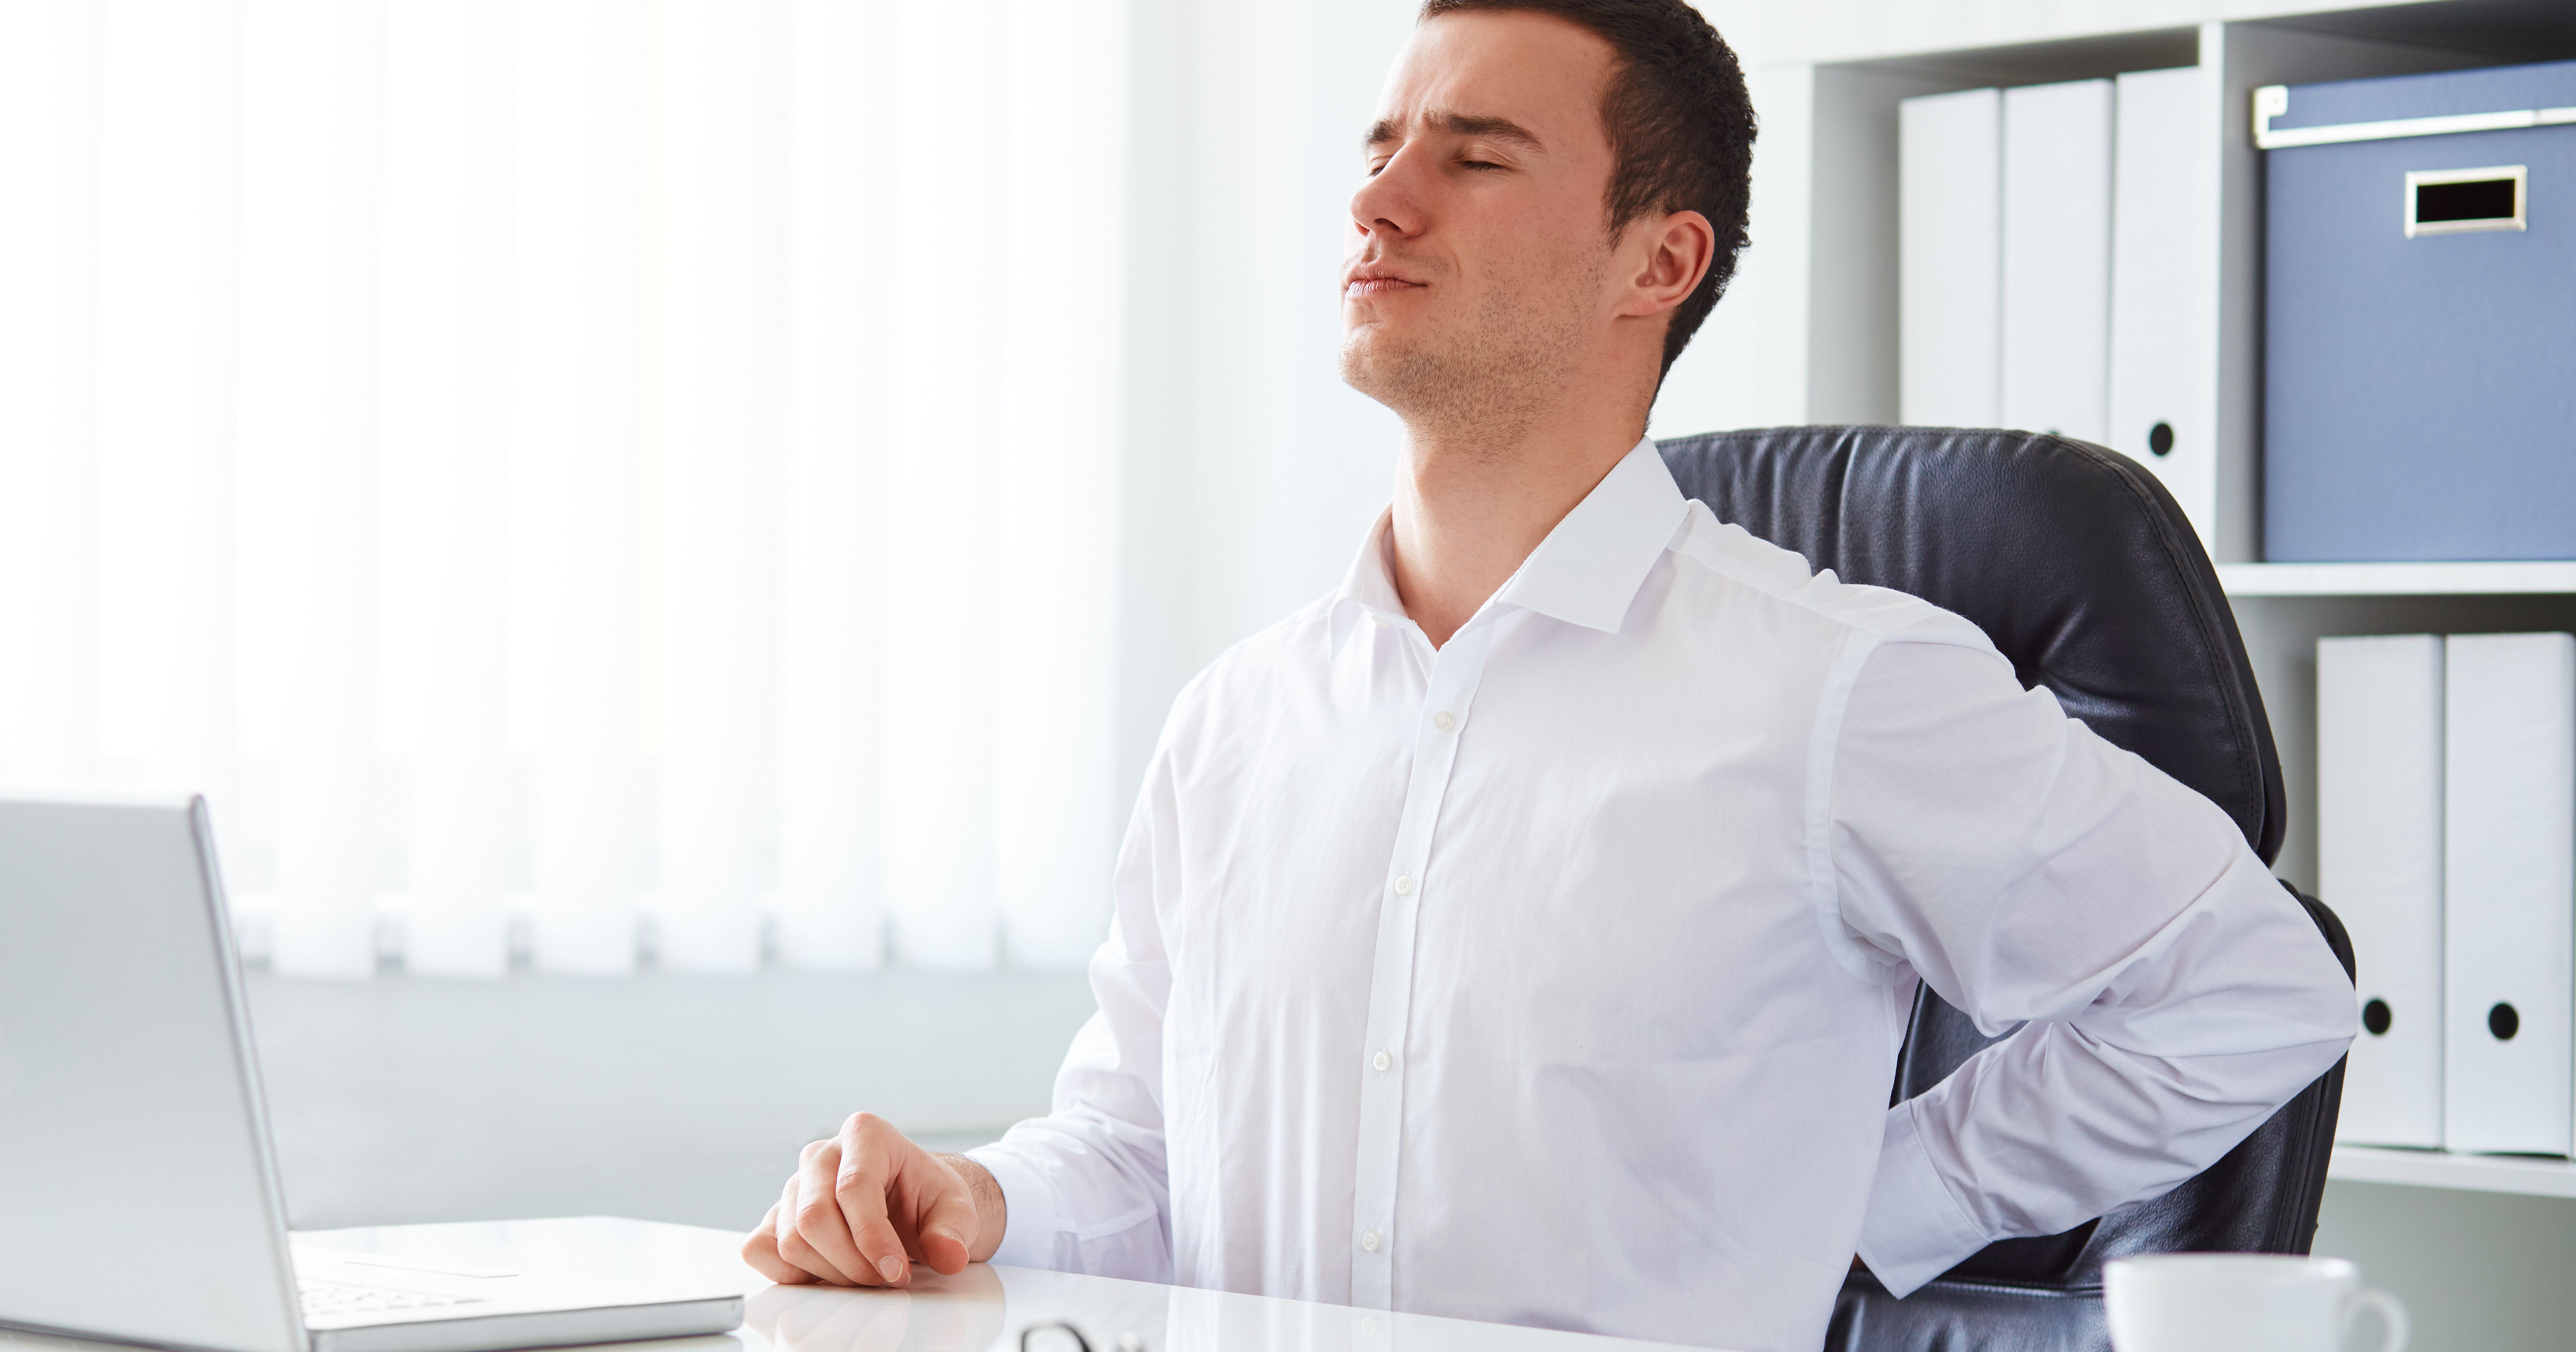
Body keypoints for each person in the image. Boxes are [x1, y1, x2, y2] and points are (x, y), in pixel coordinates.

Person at [741, 2, 2359, 1348]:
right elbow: (1143, 1146)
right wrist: (980, 1195)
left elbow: (2254, 989)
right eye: (1379, 150)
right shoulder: (1238, 722)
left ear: (1657, 260)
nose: (1380, 203)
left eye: (1474, 156)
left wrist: (1873, 1201)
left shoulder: (1830, 687)